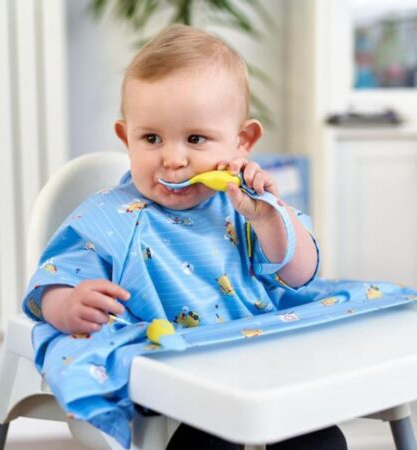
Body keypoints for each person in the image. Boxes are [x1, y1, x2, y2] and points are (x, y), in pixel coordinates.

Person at [23, 25, 347, 450]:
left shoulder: (248, 204)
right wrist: (67, 304)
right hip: (168, 382)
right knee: (211, 441)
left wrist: (269, 217)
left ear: (242, 141)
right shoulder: (110, 217)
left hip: (263, 364)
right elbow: (50, 283)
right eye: (151, 138)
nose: (173, 159)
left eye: (196, 138)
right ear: (126, 138)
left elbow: (302, 276)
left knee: (320, 439)